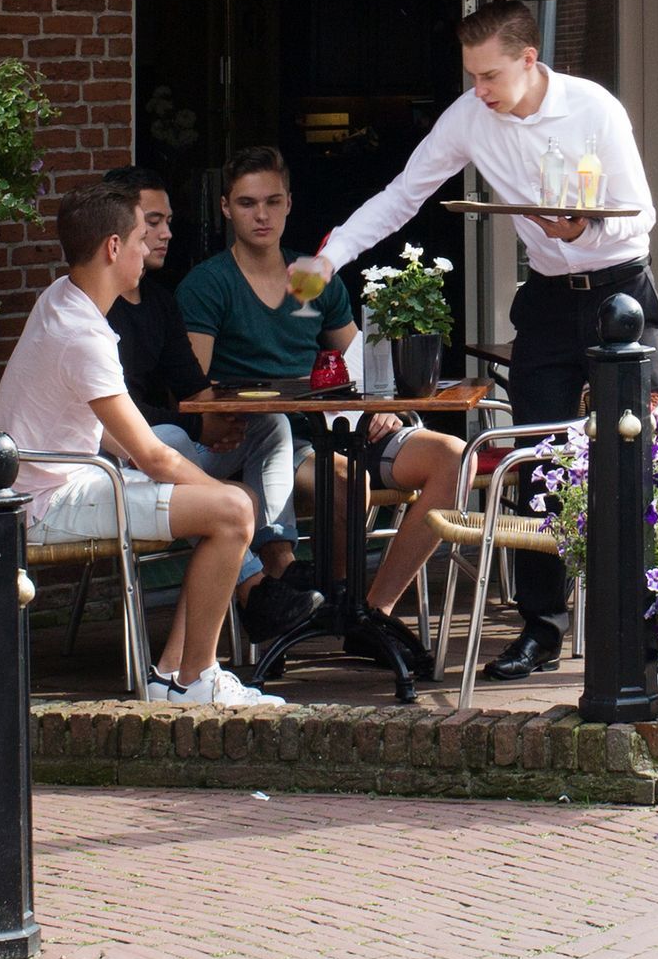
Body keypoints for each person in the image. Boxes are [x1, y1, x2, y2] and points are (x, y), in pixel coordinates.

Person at [297, 1, 650, 681]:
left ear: (529, 59)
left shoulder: (594, 108)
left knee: (633, 452)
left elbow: (643, 215)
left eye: (490, 76)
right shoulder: (469, 118)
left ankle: (645, 624)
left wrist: (585, 229)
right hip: (547, 297)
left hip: (622, 292)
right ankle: (542, 626)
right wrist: (329, 256)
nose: (480, 90)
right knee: (538, 456)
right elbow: (403, 194)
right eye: (472, 76)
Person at [0, 185, 277, 706]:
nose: (148, 250)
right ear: (113, 247)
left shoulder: (61, 296)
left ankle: (172, 676)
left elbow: (104, 429)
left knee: (230, 506)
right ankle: (198, 679)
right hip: (49, 503)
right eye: (142, 238)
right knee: (234, 509)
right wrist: (223, 495)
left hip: (48, 485)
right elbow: (152, 455)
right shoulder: (83, 334)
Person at [188, 148, 460, 662]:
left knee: (451, 456)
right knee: (344, 478)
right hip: (269, 442)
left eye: (272, 201)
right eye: (247, 203)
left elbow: (357, 359)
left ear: (290, 203)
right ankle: (316, 607)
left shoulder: (313, 275)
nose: (262, 215)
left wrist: (380, 401)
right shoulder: (208, 283)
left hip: (340, 426)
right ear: (225, 208)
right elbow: (196, 390)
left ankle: (371, 612)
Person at [99, 170, 314, 641]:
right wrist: (197, 428)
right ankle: (253, 589)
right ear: (117, 232)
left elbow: (192, 388)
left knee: (269, 424)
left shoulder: (158, 301)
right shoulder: (90, 309)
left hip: (162, 456)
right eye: (153, 222)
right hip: (114, 463)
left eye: (168, 221)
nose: (167, 234)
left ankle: (279, 560)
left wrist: (221, 418)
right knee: (171, 438)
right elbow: (120, 418)